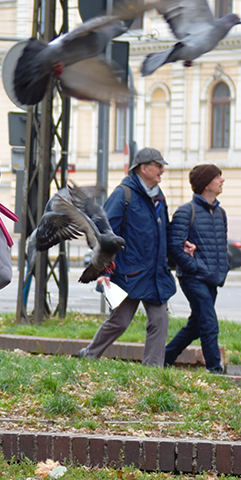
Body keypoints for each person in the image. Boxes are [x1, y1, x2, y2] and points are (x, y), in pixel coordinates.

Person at [76, 146, 176, 366]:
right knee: (120, 322)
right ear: (143, 168)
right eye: (158, 166)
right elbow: (105, 233)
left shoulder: (159, 198)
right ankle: (89, 354)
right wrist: (103, 271)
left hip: (155, 275)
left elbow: (164, 232)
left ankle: (152, 371)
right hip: (127, 274)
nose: (162, 171)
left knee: (160, 321)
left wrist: (179, 248)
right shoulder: (124, 195)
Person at [164, 164, 229, 373]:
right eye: (218, 177)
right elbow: (174, 246)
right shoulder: (186, 211)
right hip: (193, 279)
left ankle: (165, 358)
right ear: (206, 184)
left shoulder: (221, 213)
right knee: (209, 323)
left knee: (195, 325)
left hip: (212, 278)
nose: (222, 180)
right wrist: (194, 266)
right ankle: (215, 371)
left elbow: (222, 244)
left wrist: (222, 268)